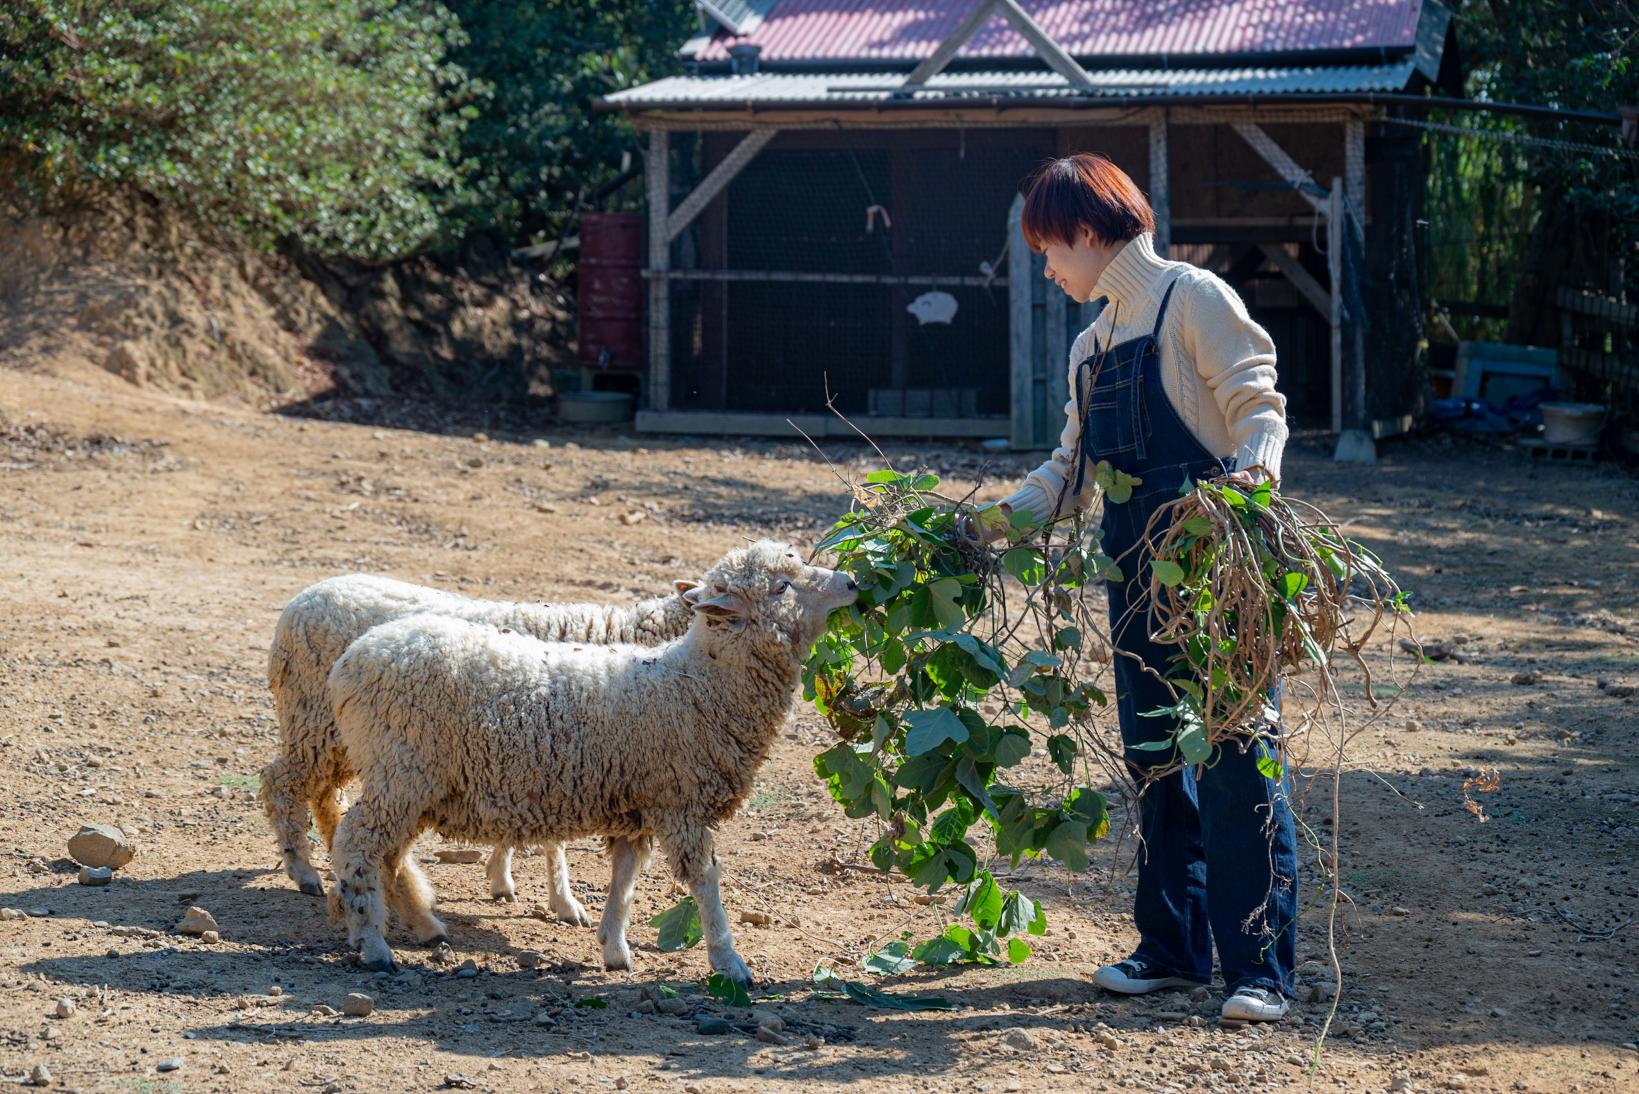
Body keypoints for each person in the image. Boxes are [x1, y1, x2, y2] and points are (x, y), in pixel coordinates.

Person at [984, 153, 1297, 1022]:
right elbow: (1068, 472)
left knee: (1239, 760)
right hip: (1132, 581)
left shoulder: (1191, 297)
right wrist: (982, 525)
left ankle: (1259, 972)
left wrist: (1246, 495)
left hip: (1218, 571)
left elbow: (1257, 412)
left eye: (1049, 248)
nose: (1046, 269)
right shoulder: (1091, 344)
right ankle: (1171, 951)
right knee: (1157, 758)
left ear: (1088, 231)